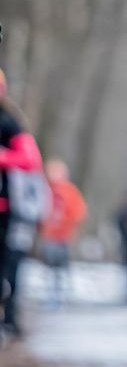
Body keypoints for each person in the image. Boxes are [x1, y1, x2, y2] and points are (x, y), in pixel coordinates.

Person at [0, 69, 45, 336]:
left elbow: (31, 160)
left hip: (7, 210)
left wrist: (3, 158)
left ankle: (11, 317)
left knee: (9, 265)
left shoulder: (9, 123)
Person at [39, 158, 87, 308]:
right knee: (51, 265)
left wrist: (67, 224)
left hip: (64, 235)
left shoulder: (70, 191)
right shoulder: (45, 189)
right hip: (49, 235)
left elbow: (79, 212)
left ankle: (64, 292)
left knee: (63, 264)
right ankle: (52, 294)